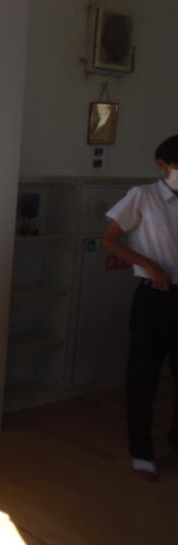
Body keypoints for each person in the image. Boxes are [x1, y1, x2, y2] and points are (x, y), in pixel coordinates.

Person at [101, 134, 178, 482]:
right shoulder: (143, 196)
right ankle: (142, 451)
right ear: (162, 165)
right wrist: (148, 264)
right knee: (144, 375)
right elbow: (109, 240)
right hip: (154, 298)